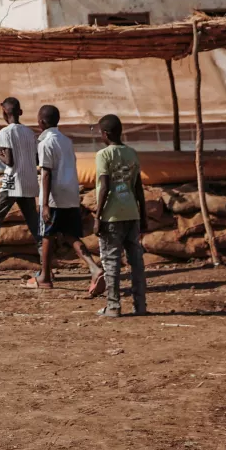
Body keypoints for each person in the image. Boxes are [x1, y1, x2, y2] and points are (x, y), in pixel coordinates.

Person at [30, 105, 102, 295]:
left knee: (47, 235)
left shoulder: (46, 143)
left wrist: (44, 203)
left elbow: (46, 173)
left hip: (54, 196)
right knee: (70, 235)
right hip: (70, 194)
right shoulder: (66, 141)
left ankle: (44, 277)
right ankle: (94, 269)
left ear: (42, 122)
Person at [0, 97, 41, 280]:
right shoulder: (29, 133)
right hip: (29, 180)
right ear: (20, 112)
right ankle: (46, 267)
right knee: (34, 224)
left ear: (4, 113)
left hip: (13, 181)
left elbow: (9, 161)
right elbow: (35, 159)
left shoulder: (5, 132)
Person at [92, 114, 148, 317]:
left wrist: (98, 216)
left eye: (100, 133)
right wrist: (144, 214)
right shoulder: (132, 153)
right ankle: (140, 306)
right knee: (136, 262)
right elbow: (138, 187)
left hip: (112, 216)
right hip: (132, 214)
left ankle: (113, 306)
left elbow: (105, 186)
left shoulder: (103, 155)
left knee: (111, 261)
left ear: (105, 134)